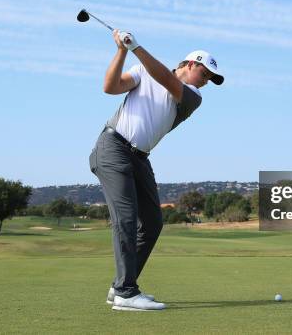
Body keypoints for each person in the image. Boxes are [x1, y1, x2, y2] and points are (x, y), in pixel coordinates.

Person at [89, 30, 223, 311]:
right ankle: (126, 292)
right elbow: (109, 87)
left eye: (211, 78)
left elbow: (165, 78)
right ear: (190, 63)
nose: (206, 81)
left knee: (151, 222)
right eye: (205, 73)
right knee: (126, 218)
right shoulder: (141, 71)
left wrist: (136, 46)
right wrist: (122, 51)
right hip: (113, 146)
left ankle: (120, 286)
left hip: (139, 157)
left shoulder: (193, 97)